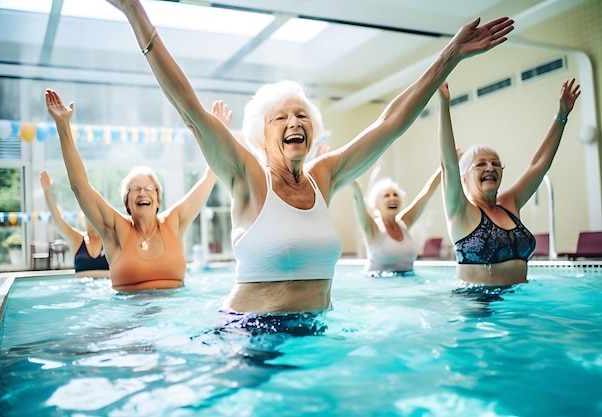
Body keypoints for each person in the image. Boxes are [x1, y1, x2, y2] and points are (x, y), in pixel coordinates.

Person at [105, 0, 514, 313]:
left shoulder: (324, 175)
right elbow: (188, 105)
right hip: (253, 335)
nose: (293, 121)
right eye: (279, 117)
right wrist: (135, 12)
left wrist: (450, 57)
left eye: (301, 114)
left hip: (316, 332)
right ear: (261, 138)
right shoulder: (247, 174)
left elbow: (390, 123)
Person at [44, 89, 232, 291]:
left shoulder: (174, 222)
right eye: (135, 189)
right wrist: (63, 126)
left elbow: (209, 176)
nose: (142, 192)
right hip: (130, 317)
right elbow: (80, 186)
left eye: (149, 188)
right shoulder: (115, 229)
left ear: (158, 199)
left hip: (175, 312)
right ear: (127, 202)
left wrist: (218, 133)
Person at [438, 79, 580, 286]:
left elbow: (538, 165)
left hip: (518, 303)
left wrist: (562, 115)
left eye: (496, 163)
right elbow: (449, 165)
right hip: (478, 307)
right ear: (465, 179)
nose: (490, 167)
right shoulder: (460, 211)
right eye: (480, 164)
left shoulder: (509, 203)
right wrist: (444, 105)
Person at [351, 167, 441, 276]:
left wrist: (445, 166)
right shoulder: (373, 228)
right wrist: (352, 181)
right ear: (376, 204)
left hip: (407, 283)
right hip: (378, 285)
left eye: (395, 195)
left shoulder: (404, 222)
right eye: (386, 196)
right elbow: (359, 200)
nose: (392, 198)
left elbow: (426, 193)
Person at [40, 170, 110, 278]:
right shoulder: (77, 239)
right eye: (89, 217)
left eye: (95, 217)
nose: (92, 221)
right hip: (80, 290)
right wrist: (47, 191)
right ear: (84, 219)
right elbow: (58, 221)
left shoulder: (110, 239)